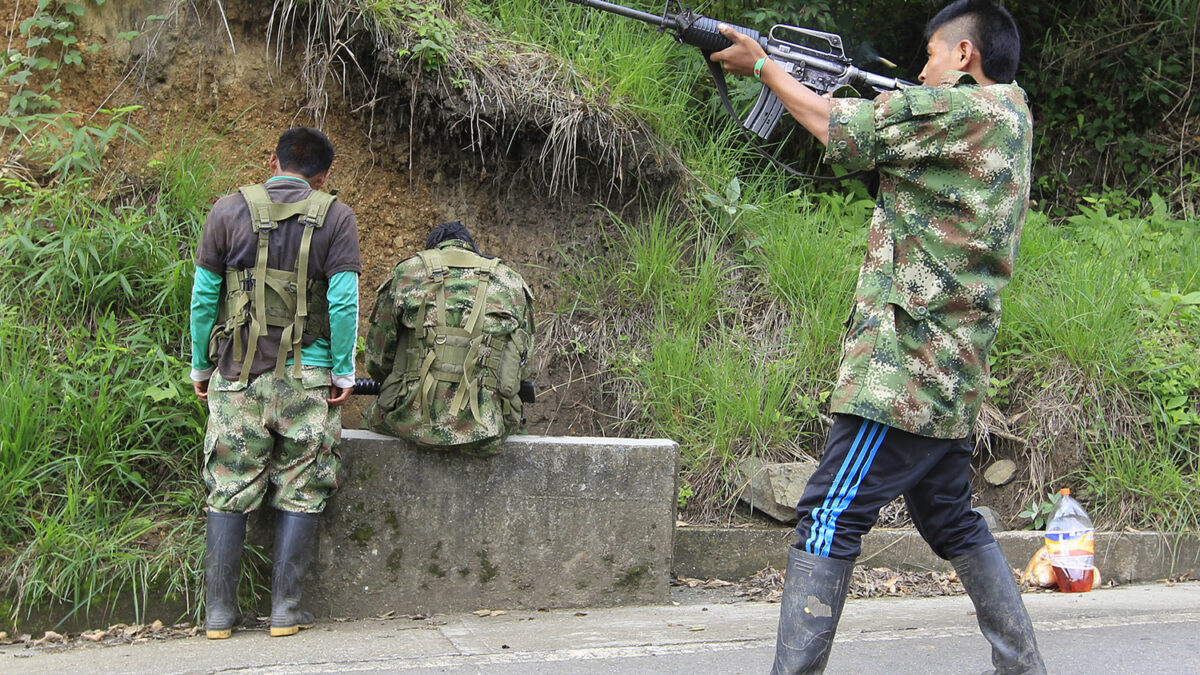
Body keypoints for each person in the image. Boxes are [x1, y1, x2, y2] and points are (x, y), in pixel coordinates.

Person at [711, 1, 1044, 673]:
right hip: (952, 370)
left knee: (828, 514)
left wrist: (764, 65)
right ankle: (1023, 667)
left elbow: (838, 125)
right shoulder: (1011, 118)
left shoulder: (965, 111)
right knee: (952, 519)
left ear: (963, 55)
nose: (922, 68)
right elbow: (893, 166)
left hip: (906, 370)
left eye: (930, 54)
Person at [188, 126, 361, 639]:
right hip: (307, 378)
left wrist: (201, 366)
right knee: (302, 488)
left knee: (228, 487)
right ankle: (285, 611)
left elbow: (203, 299)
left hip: (237, 375)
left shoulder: (226, 210)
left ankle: (220, 615)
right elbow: (345, 303)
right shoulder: (337, 215)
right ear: (324, 175)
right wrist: (342, 370)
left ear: (273, 160)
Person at [363, 221, 535, 457]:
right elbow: (522, 369)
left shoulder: (406, 273)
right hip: (488, 429)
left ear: (433, 249)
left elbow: (378, 358)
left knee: (366, 425)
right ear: (472, 248)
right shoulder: (510, 281)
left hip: (408, 421)